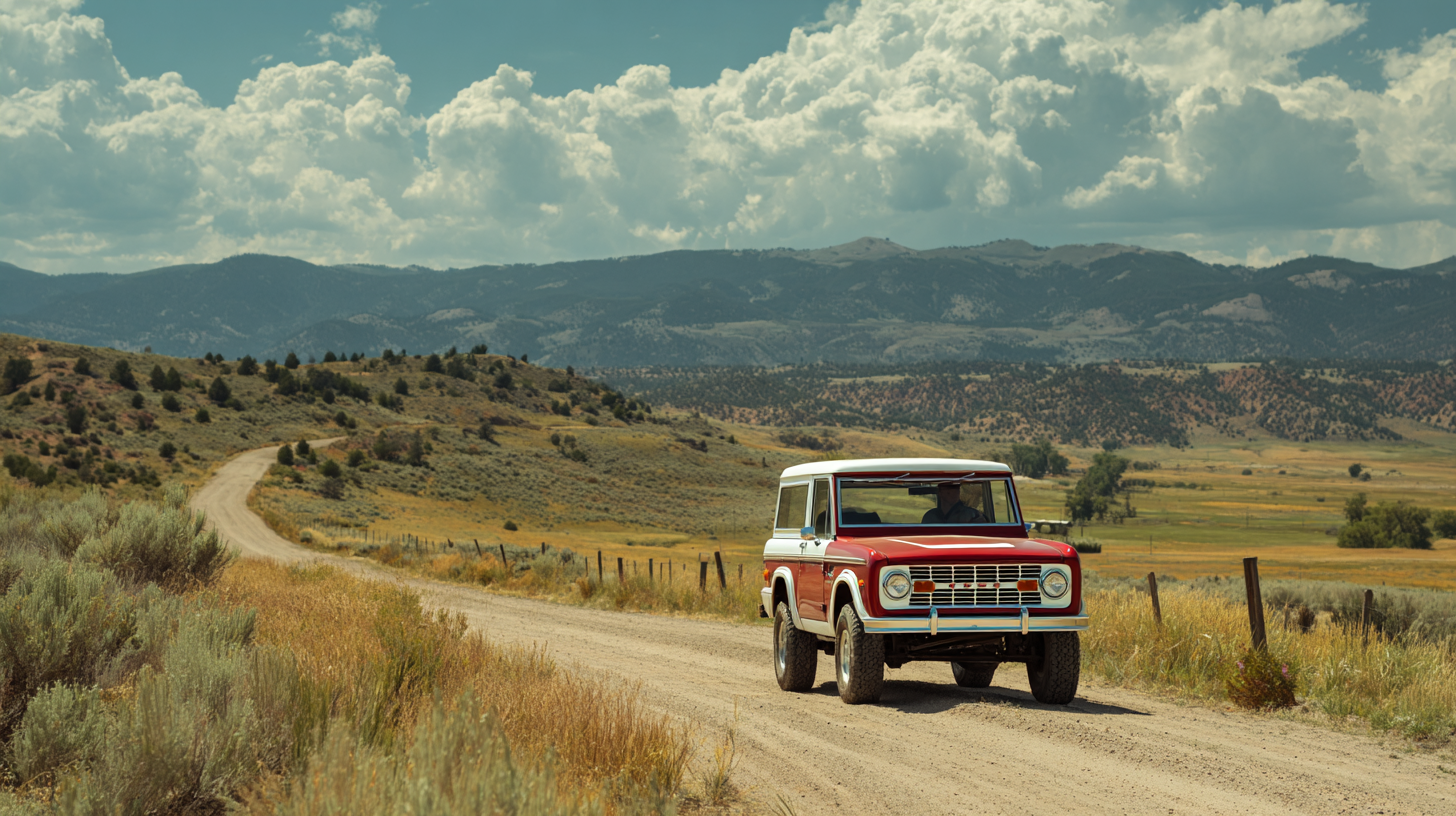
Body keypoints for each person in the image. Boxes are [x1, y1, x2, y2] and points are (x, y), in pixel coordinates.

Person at [921, 482, 987, 524]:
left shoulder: (972, 515)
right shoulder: (930, 516)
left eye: (956, 488)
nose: (953, 492)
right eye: (948, 488)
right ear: (940, 493)